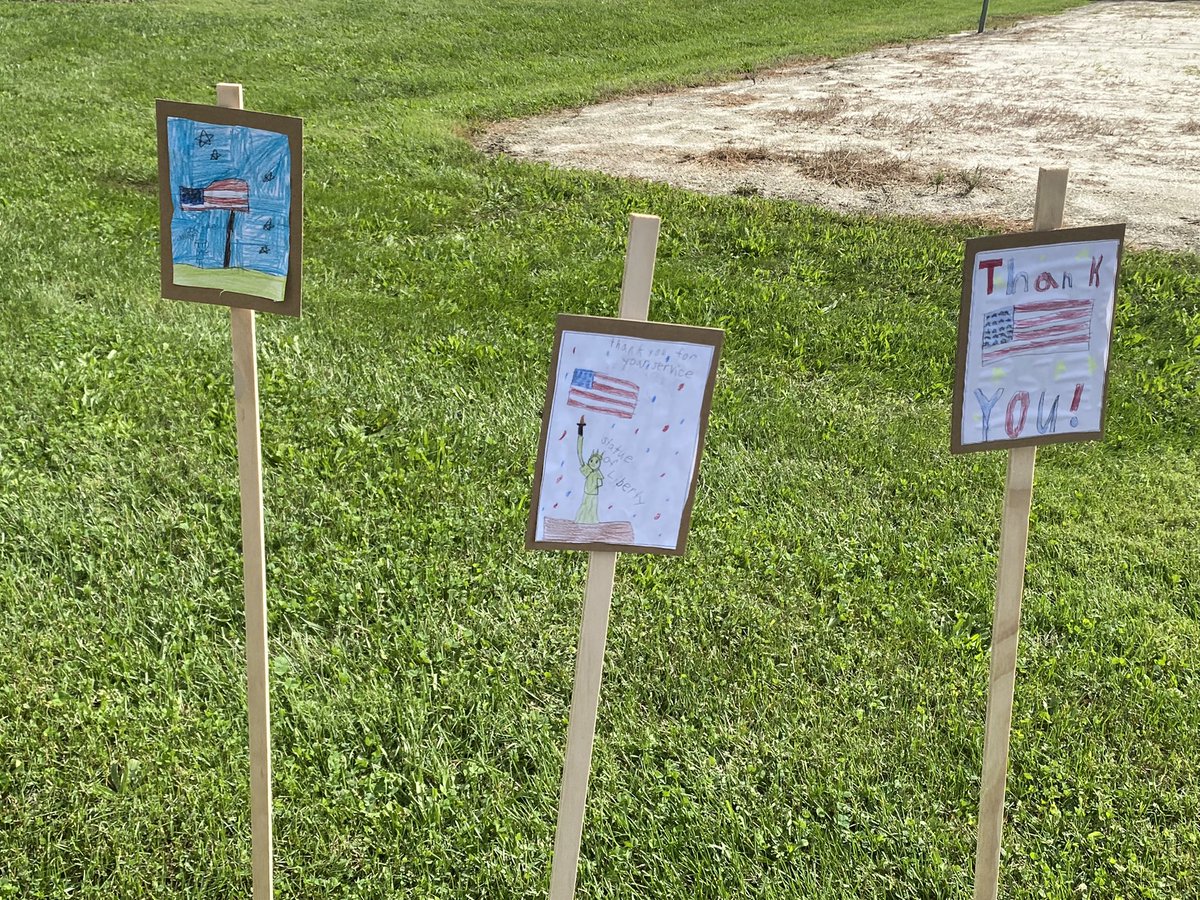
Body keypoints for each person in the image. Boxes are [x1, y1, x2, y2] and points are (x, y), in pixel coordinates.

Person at [574, 416, 604, 524]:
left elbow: (600, 482)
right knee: (585, 506)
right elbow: (580, 455)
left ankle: (592, 521)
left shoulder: (597, 473)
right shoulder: (588, 470)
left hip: (593, 494)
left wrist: (597, 482)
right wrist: (580, 431)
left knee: (592, 508)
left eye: (596, 462)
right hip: (587, 493)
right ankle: (581, 520)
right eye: (591, 461)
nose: (593, 463)